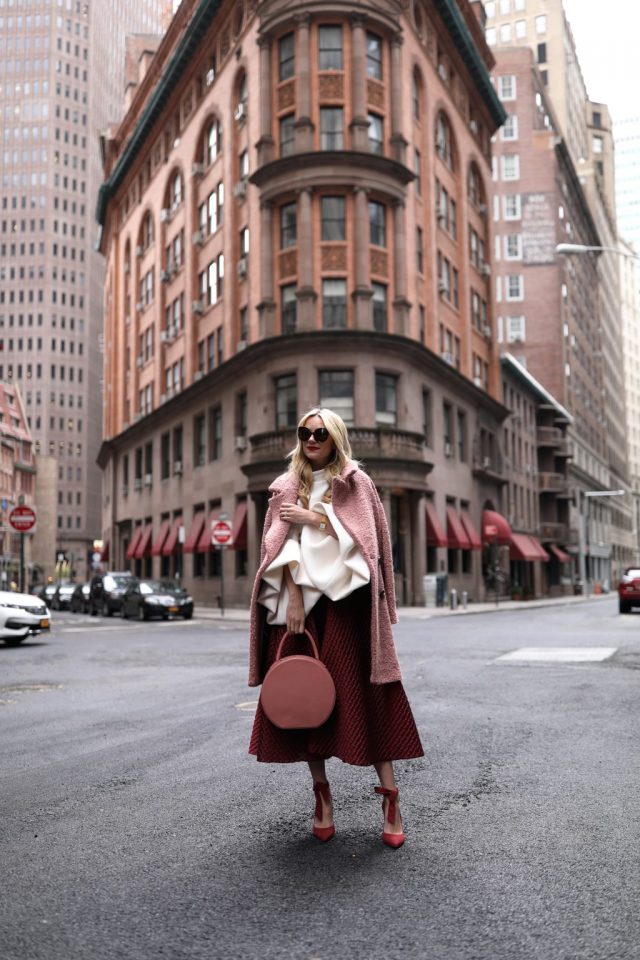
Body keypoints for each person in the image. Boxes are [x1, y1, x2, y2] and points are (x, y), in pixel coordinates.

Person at [248, 407, 423, 848]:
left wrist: (319, 519)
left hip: (348, 608)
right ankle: (322, 796)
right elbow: (278, 549)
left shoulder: (356, 483)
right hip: (304, 610)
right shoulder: (287, 487)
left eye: (319, 433)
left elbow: (369, 547)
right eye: (304, 432)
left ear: (335, 437)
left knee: (368, 701)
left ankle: (390, 798)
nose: (310, 439)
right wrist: (292, 601)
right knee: (305, 702)